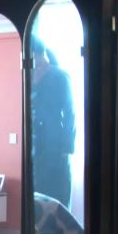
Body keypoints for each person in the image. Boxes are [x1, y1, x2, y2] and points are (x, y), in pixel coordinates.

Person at [30, 37, 76, 208]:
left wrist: (67, 148)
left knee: (57, 195)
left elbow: (70, 113)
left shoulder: (60, 77)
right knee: (36, 198)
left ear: (39, 53)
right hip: (34, 147)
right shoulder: (28, 76)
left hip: (55, 147)